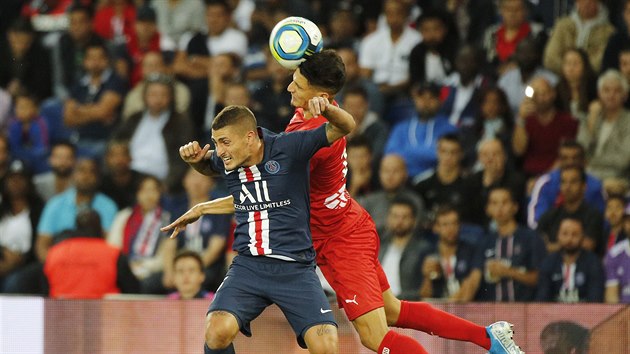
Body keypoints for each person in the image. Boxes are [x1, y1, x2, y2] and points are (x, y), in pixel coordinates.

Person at [164, 50, 524, 354]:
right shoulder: (316, 109)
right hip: (335, 222)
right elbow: (258, 191)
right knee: (392, 310)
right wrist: (201, 207)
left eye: (298, 85)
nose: (290, 86)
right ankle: (488, 338)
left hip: (338, 237)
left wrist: (206, 205)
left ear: (319, 93)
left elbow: (264, 194)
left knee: (373, 335)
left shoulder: (308, 137)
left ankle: (489, 339)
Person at [174, 96, 356, 352]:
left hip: (296, 269)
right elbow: (209, 165)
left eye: (225, 142)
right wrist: (195, 162)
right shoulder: (228, 160)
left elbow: (345, 126)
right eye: (216, 142)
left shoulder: (290, 147)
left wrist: (327, 110)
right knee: (216, 332)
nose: (220, 150)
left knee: (327, 346)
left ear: (250, 137)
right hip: (249, 267)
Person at [44, 209, 139, 298]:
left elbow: (44, 287)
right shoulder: (113, 254)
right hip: (104, 312)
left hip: (60, 312)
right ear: (100, 229)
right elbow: (133, 291)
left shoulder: (55, 252)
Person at [475, 187, 547, 302]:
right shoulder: (484, 242)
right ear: (487, 209)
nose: (499, 208)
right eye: (494, 203)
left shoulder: (531, 238)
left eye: (504, 202)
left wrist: (508, 272)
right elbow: (475, 277)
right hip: (491, 312)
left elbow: (541, 278)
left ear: (515, 207)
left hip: (526, 311)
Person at [527, 140, 605, 229]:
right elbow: (535, 221)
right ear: (559, 161)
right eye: (565, 158)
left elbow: (604, 220)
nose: (570, 162)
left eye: (575, 158)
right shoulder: (545, 183)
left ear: (583, 161)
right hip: (550, 237)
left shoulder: (596, 186)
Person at [420, 205, 483, 302]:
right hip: (436, 310)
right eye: (445, 224)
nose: (450, 229)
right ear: (436, 228)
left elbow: (470, 288)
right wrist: (427, 278)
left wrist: (446, 307)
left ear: (460, 225)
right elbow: (424, 295)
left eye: (454, 223)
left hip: (464, 310)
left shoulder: (471, 250)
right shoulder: (427, 253)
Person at [536, 166, 605, 254]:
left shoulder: (593, 215)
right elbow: (538, 246)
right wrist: (572, 244)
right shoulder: (550, 215)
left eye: (573, 182)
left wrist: (553, 247)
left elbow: (587, 247)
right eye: (564, 182)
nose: (567, 187)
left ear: (584, 187)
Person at [536, 218, 605, 302]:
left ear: (582, 237)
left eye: (575, 234)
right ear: (558, 235)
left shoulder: (593, 262)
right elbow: (542, 300)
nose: (569, 239)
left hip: (585, 314)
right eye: (565, 234)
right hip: (554, 314)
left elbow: (595, 299)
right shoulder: (548, 263)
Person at [378, 197, 432, 300]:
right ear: (388, 218)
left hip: (406, 305)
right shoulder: (379, 246)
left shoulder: (423, 249)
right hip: (377, 304)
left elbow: (425, 291)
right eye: (395, 216)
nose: (399, 221)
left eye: (405, 217)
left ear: (414, 220)